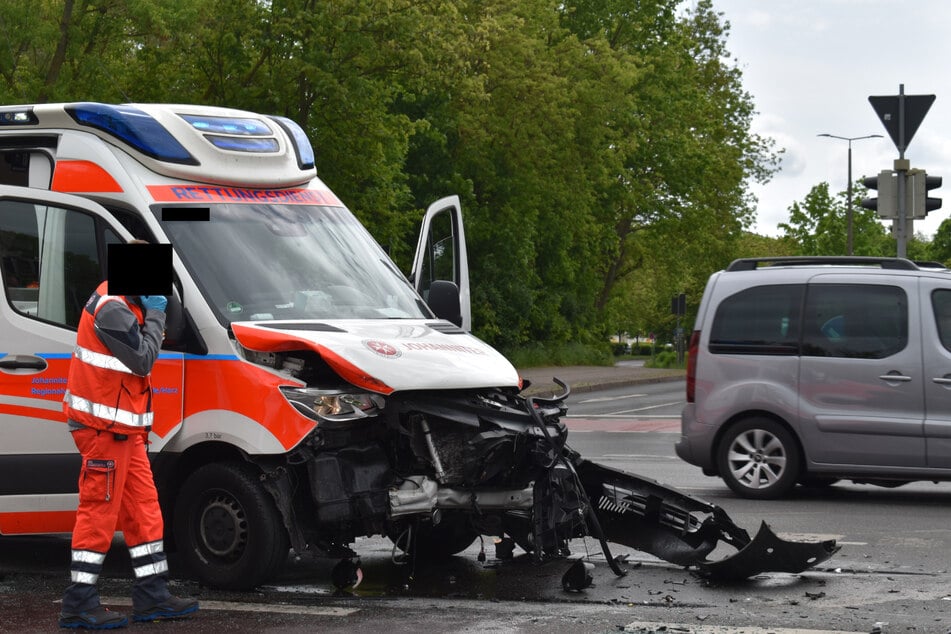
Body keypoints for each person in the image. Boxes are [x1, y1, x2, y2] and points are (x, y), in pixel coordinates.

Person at [59, 258, 198, 629]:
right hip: (103, 430)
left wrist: (156, 310)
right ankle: (78, 603)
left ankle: (153, 596)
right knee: (98, 513)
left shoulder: (127, 302)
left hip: (125, 432)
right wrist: (156, 314)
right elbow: (143, 359)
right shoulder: (113, 308)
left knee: (145, 511)